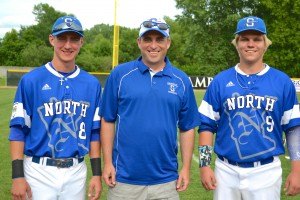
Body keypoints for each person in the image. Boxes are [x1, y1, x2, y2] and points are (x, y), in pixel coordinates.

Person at [198, 16, 300, 199]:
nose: (250, 44)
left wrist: (297, 171)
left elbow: (293, 128)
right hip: (225, 171)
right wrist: (204, 165)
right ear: (236, 43)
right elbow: (206, 126)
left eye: (257, 39)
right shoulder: (220, 81)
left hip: (266, 172)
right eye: (244, 39)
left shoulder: (282, 81)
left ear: (265, 44)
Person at [100, 17, 200, 199]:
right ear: (139, 42)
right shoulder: (120, 75)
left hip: (166, 181)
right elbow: (107, 119)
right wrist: (107, 163)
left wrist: (185, 168)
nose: (153, 45)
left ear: (168, 43)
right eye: (147, 39)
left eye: (159, 39)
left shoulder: (181, 80)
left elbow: (187, 127)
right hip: (123, 180)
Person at [9, 16, 102, 200]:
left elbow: (95, 133)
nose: (68, 45)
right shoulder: (31, 80)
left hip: (76, 171)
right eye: (62, 38)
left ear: (81, 42)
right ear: (52, 39)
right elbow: (18, 129)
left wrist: (97, 174)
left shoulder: (92, 84)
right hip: (38, 171)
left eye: (74, 39)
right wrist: (17, 176)